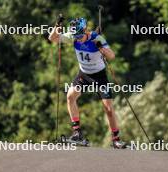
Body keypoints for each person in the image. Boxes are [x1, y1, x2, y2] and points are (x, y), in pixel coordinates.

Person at [48, 17, 126, 149]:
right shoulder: (72, 36)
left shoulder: (97, 38)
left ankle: (116, 139)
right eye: (75, 36)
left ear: (85, 30)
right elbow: (52, 38)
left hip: (99, 76)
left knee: (108, 109)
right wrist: (57, 25)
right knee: (70, 96)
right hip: (84, 74)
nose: (77, 38)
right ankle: (77, 133)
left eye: (79, 35)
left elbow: (112, 56)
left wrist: (101, 47)